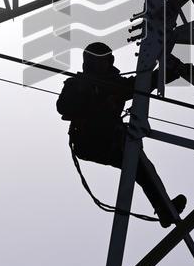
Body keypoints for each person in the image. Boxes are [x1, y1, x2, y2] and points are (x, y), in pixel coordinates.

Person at [56, 42, 186, 227]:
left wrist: (171, 72)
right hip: (89, 139)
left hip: (110, 141)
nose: (100, 64)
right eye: (96, 61)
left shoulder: (115, 84)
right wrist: (86, 93)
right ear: (89, 63)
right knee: (136, 160)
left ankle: (164, 209)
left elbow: (140, 84)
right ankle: (164, 208)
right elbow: (63, 107)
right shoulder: (77, 83)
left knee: (142, 167)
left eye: (103, 60)